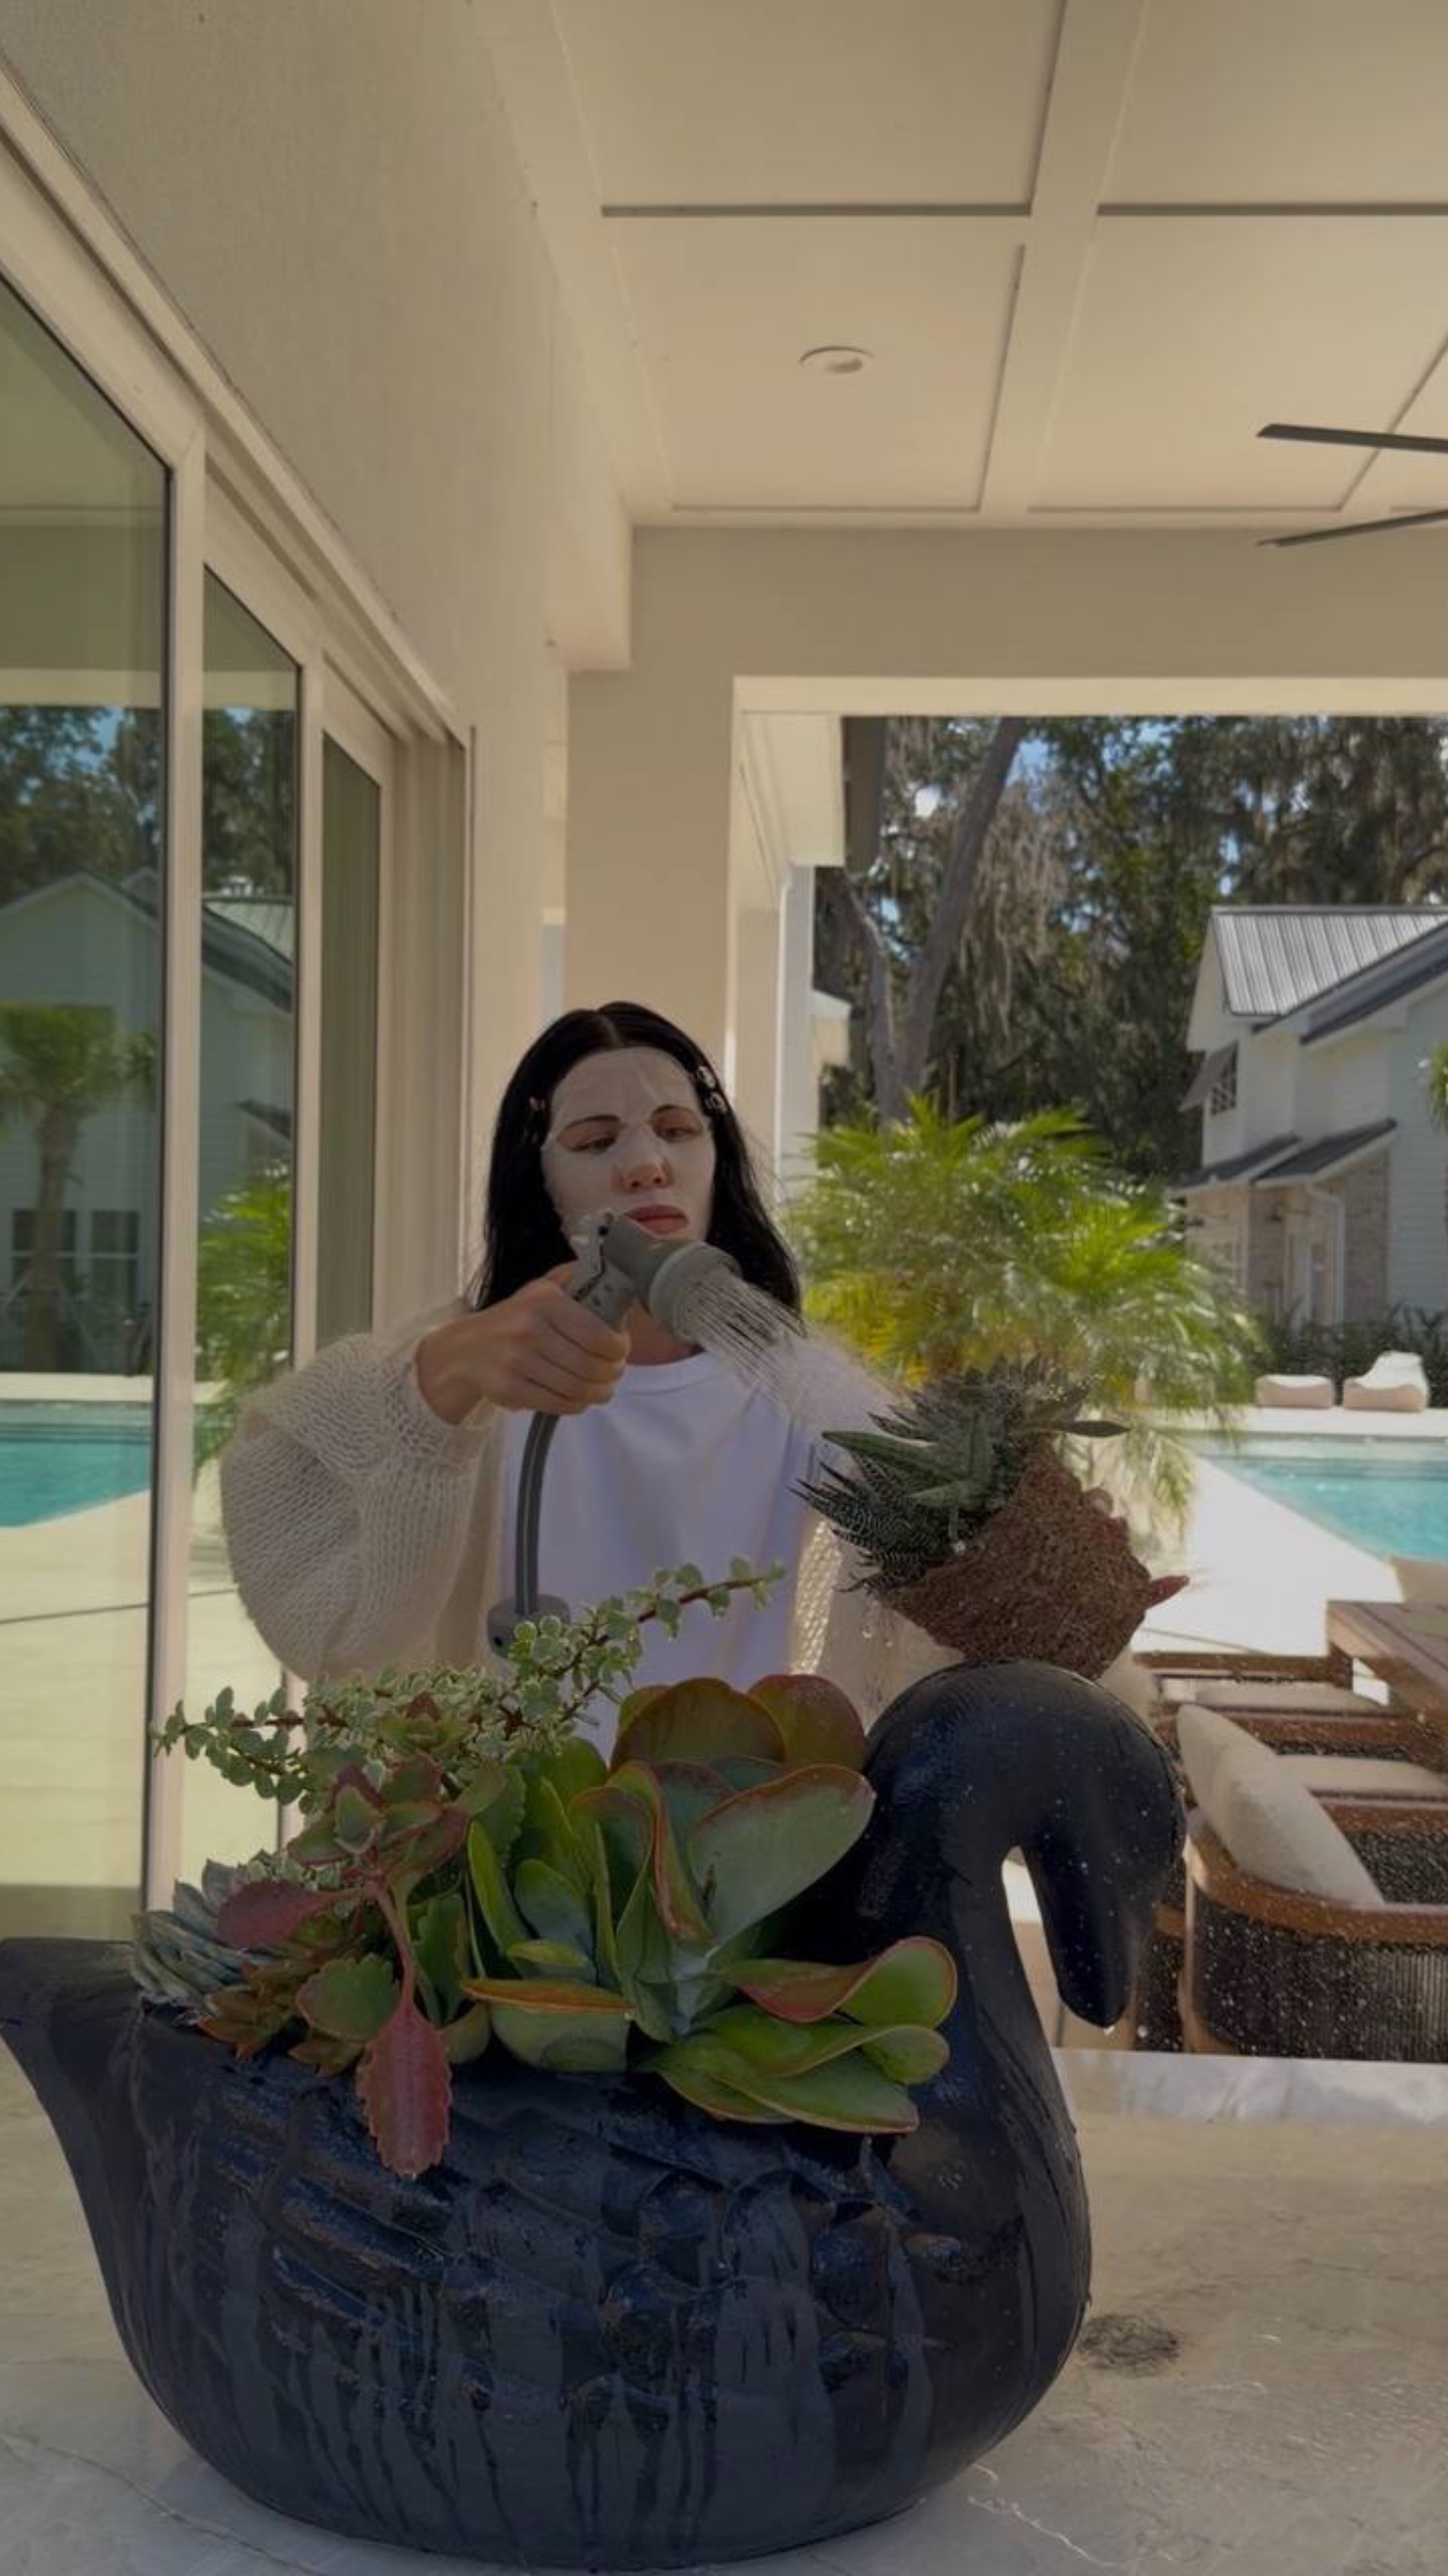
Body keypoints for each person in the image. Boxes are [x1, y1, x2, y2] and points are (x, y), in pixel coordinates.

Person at [220, 1001, 945, 1750]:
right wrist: (440, 1383)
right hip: (506, 1818)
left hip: (742, 1812)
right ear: (541, 1180)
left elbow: (940, 1553)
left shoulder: (797, 1385)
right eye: (596, 1141)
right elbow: (292, 1527)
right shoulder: (475, 1369)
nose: (646, 1165)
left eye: (676, 1130)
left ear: (716, 1155)